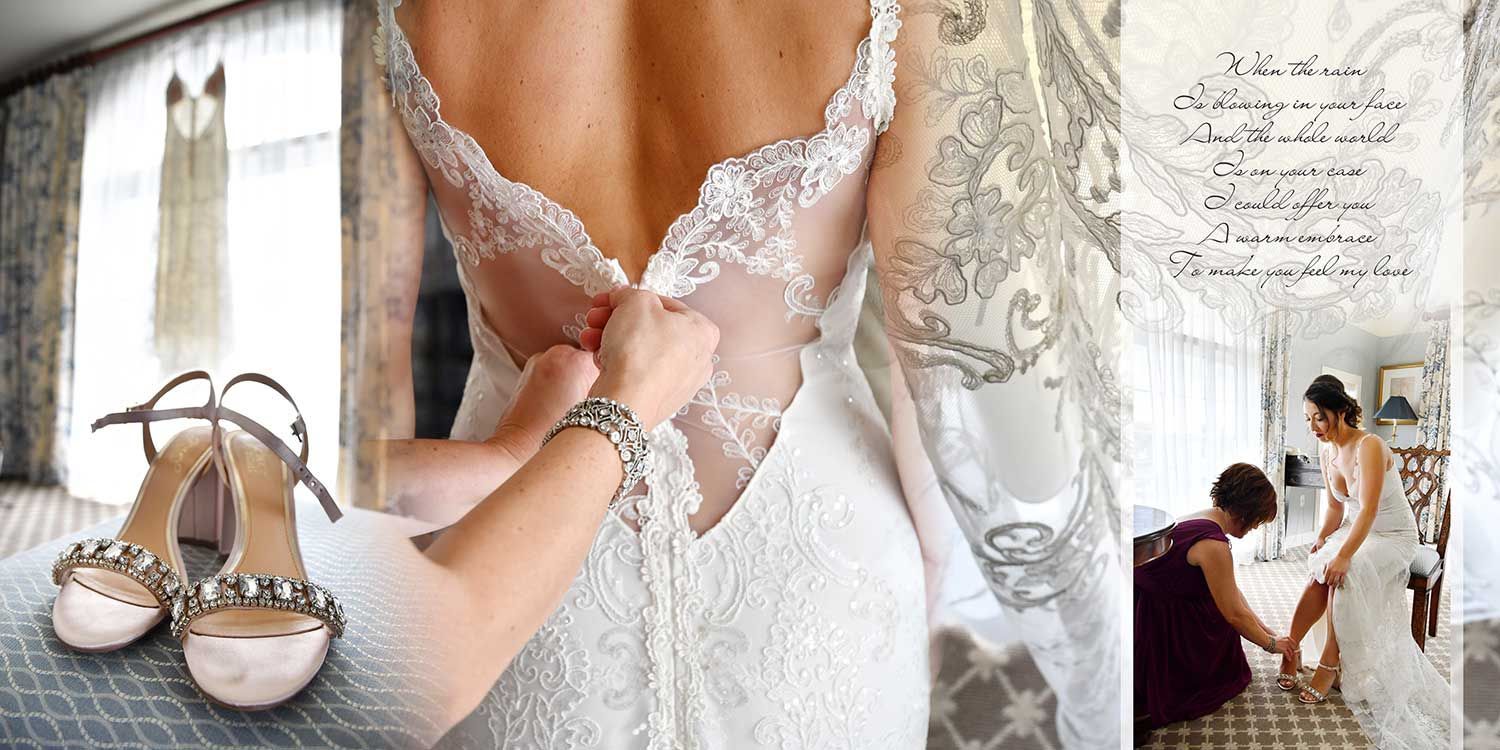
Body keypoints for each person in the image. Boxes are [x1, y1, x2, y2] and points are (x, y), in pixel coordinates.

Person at [367, 0, 1122, 745]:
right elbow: (991, 401)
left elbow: (359, 418)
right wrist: (1099, 696)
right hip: (820, 590)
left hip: (505, 584)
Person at [1284, 376, 1449, 746]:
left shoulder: (1370, 445)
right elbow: (1334, 507)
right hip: (1359, 529)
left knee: (1346, 572)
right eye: (1308, 418)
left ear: (1341, 411)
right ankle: (1290, 649)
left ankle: (1330, 666)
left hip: (1392, 536)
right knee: (1318, 572)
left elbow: (1370, 509)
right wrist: (1323, 537)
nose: (1313, 427)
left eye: (1319, 418)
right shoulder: (1327, 451)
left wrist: (1344, 555)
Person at [1135, 463, 1294, 730]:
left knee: (1225, 605)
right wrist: (1271, 645)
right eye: (1258, 522)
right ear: (1248, 513)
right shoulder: (1214, 545)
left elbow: (1230, 589)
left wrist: (1265, 629)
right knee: (1222, 619)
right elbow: (1233, 612)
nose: (1256, 528)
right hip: (1165, 622)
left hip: (1147, 602)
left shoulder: (1201, 517)